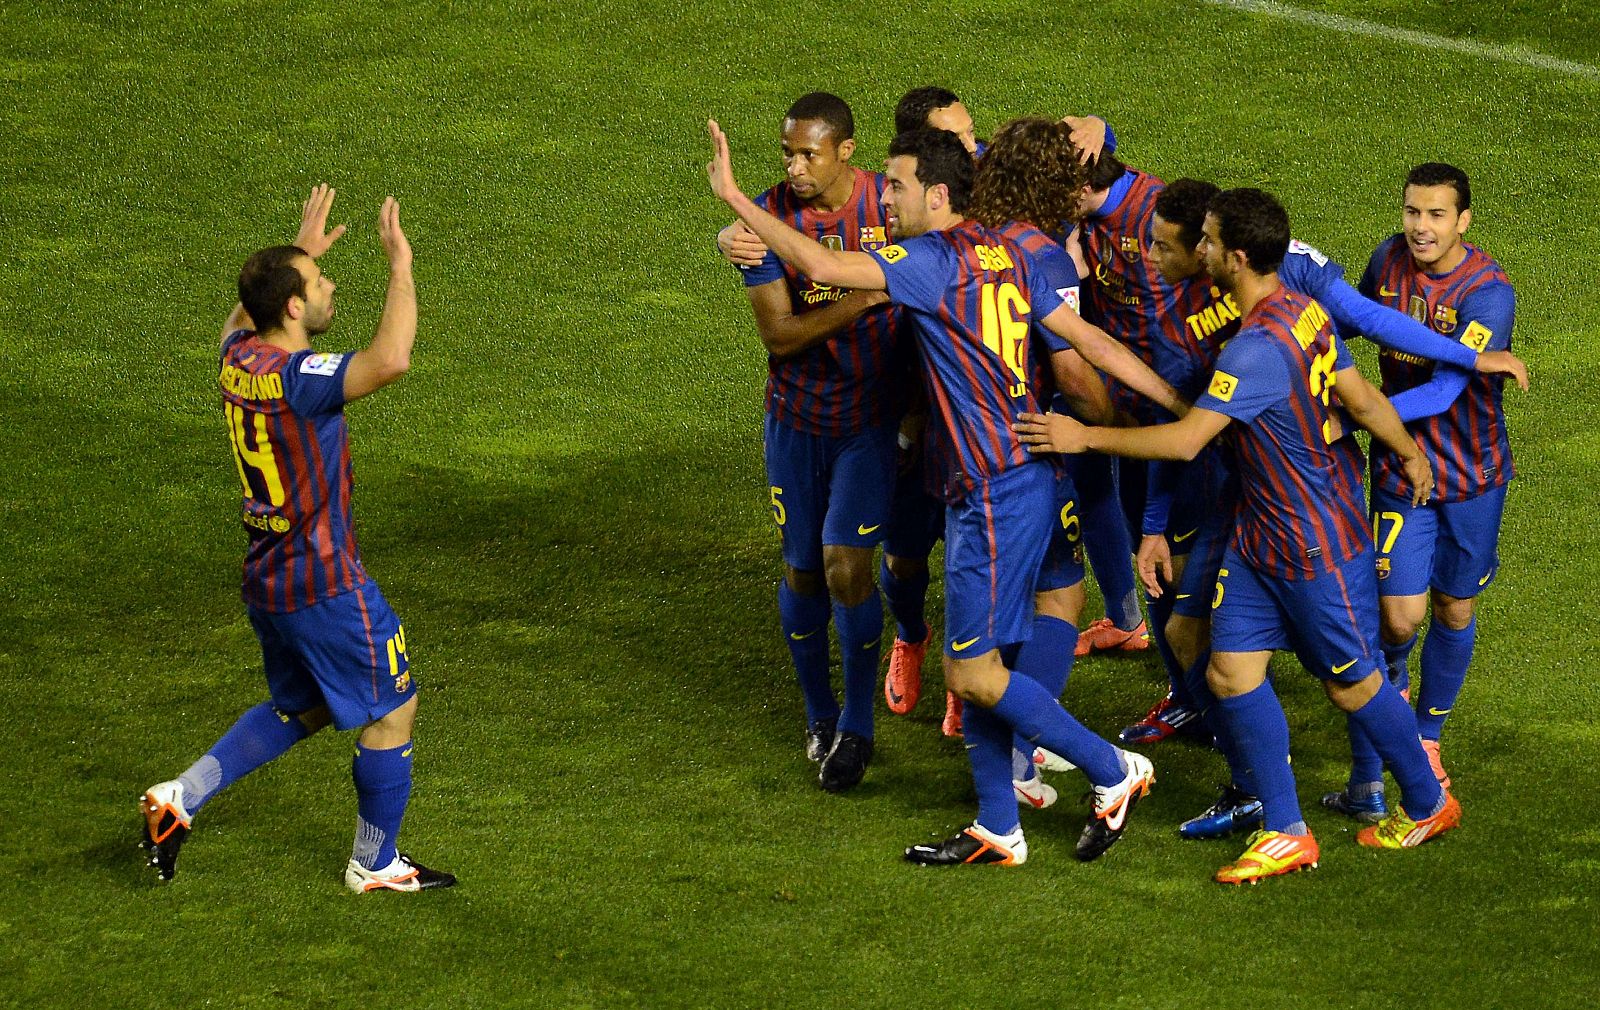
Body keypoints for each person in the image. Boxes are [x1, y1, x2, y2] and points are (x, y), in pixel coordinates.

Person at [709, 117, 1184, 865]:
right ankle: (999, 825)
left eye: (894, 187)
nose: (884, 201)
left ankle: (1112, 769)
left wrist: (736, 197)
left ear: (936, 193)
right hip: (997, 483)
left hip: (994, 491)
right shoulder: (1013, 249)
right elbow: (1087, 340)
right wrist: (1179, 407)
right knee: (988, 659)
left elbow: (805, 256)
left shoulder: (929, 262)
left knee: (970, 673)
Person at [1016, 188, 1463, 883]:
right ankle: (1286, 829)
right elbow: (1359, 395)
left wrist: (1084, 435)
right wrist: (1403, 449)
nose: (1202, 249)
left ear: (1238, 256)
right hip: (1260, 529)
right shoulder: (1297, 308)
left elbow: (1190, 438)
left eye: (1211, 240)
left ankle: (1428, 800)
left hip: (1312, 536)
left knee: (1352, 684)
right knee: (1229, 670)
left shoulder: (1254, 350)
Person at [1138, 178, 1529, 839]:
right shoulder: (1178, 321)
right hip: (1252, 500)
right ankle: (1265, 800)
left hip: (1343, 501)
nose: (1154, 256)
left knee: (1385, 647)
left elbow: (1370, 346)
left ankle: (1405, 772)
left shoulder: (1294, 290)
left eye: (1172, 244)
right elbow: (1179, 417)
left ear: (1227, 252)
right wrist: (1153, 524)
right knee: (1199, 643)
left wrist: (1357, 416)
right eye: (1412, 210)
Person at [139, 185, 453, 892]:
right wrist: (400, 265)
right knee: (393, 703)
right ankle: (374, 864)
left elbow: (241, 319)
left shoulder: (237, 359)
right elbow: (391, 359)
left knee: (306, 705)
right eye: (317, 281)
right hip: (324, 580)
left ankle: (178, 797)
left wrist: (298, 253)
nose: (329, 282)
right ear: (291, 308)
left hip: (269, 578)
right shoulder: (299, 380)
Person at [727, 92, 908, 793]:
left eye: (808, 153)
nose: (795, 167)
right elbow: (779, 334)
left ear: (845, 151)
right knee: (802, 569)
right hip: (796, 422)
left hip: (870, 422)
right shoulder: (764, 221)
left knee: (845, 567)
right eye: (787, 153)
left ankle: (857, 726)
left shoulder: (887, 207)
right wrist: (867, 296)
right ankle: (818, 713)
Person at [1325, 162, 1518, 817]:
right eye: (1413, 212)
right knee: (1396, 618)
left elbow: (1443, 390)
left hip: (1471, 475)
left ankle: (1426, 739)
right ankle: (1382, 751)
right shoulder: (1387, 259)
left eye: (1436, 215)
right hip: (1401, 468)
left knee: (1454, 609)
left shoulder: (1489, 294)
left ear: (1463, 220)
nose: (1420, 227)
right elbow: (1356, 322)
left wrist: (1356, 411)